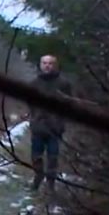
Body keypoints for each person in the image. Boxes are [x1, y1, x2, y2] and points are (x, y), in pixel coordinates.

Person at [28, 54, 73, 192]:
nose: (47, 65)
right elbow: (30, 103)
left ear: (55, 65)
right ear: (40, 65)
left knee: (53, 157)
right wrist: (35, 117)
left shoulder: (64, 84)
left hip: (55, 128)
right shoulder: (34, 83)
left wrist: (60, 120)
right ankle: (38, 177)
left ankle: (51, 184)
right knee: (36, 156)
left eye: (50, 63)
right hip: (38, 127)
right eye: (44, 63)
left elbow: (68, 104)